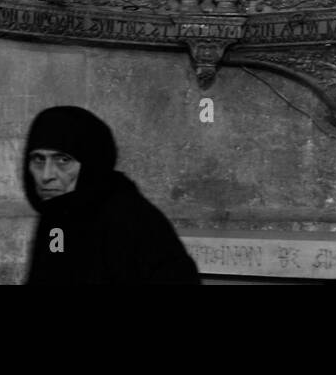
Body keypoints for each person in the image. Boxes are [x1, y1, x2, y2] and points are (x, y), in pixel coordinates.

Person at [22, 106, 201, 285]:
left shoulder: (130, 220)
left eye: (63, 160)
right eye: (38, 160)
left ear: (90, 163)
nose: (46, 176)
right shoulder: (58, 215)